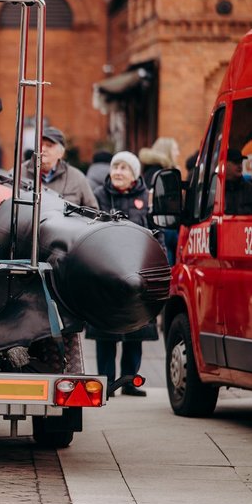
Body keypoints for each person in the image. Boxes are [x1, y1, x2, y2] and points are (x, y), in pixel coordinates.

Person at [87, 151, 156, 397]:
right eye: (115, 166)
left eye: (124, 168)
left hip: (138, 273)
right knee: (106, 334)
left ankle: (129, 382)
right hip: (107, 273)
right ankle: (106, 384)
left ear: (134, 174)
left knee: (134, 331)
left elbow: (154, 231)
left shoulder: (146, 198)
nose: (117, 172)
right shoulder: (99, 196)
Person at [21, 126, 98, 208]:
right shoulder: (20, 173)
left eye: (49, 145)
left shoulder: (77, 178)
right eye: (40, 144)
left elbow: (93, 213)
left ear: (61, 153)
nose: (43, 149)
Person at [224, 148, 252, 215]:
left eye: (241, 162)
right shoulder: (216, 192)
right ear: (225, 164)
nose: (240, 166)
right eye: (236, 162)